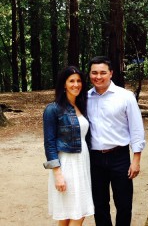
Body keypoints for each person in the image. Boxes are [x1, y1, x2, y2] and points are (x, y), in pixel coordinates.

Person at [87, 56, 146, 226]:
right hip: (95, 158)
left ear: (111, 73)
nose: (98, 76)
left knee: (124, 204)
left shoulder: (125, 96)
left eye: (103, 72)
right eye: (94, 73)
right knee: (99, 205)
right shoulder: (85, 98)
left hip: (119, 157)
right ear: (90, 74)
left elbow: (136, 129)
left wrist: (136, 159)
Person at [43, 66, 94, 226]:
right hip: (66, 165)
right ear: (64, 84)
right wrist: (57, 173)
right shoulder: (53, 109)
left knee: (67, 215)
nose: (76, 84)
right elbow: (49, 143)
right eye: (71, 81)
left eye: (78, 81)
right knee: (78, 212)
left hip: (82, 162)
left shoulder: (82, 106)